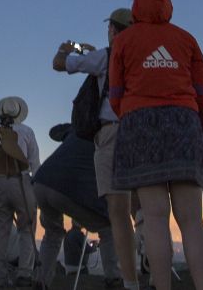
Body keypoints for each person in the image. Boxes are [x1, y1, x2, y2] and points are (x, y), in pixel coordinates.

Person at [109, 0, 203, 290]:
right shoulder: (187, 40)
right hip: (183, 121)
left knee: (154, 219)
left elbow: (115, 95)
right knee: (192, 220)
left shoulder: (124, 41)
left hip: (139, 124)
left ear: (135, 6)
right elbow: (202, 94)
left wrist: (132, 112)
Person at [53, 7, 141, 290]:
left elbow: (58, 64)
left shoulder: (105, 56)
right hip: (142, 134)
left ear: (113, 30)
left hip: (112, 133)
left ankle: (130, 282)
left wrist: (67, 49)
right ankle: (155, 271)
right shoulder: (143, 57)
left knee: (117, 210)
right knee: (146, 208)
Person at [33, 123, 123, 289]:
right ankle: (114, 279)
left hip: (41, 181)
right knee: (109, 228)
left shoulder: (76, 130)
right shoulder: (107, 136)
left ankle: (41, 281)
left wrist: (75, 124)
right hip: (65, 187)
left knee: (52, 233)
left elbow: (54, 132)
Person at [0, 96, 41, 287]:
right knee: (26, 228)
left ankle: (0, 278)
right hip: (21, 179)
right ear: (19, 113)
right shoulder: (27, 131)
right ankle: (24, 274)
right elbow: (35, 163)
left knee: (1, 232)